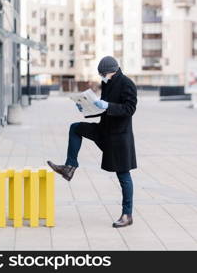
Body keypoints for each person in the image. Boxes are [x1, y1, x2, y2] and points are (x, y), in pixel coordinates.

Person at [47, 56, 137, 228]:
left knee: (123, 175)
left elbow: (129, 109)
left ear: (113, 71)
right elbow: (102, 108)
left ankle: (127, 215)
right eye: (101, 75)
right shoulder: (107, 83)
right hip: (104, 131)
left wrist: (107, 106)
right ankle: (69, 167)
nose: (102, 77)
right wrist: (87, 108)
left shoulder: (127, 84)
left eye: (104, 74)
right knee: (76, 128)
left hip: (119, 138)